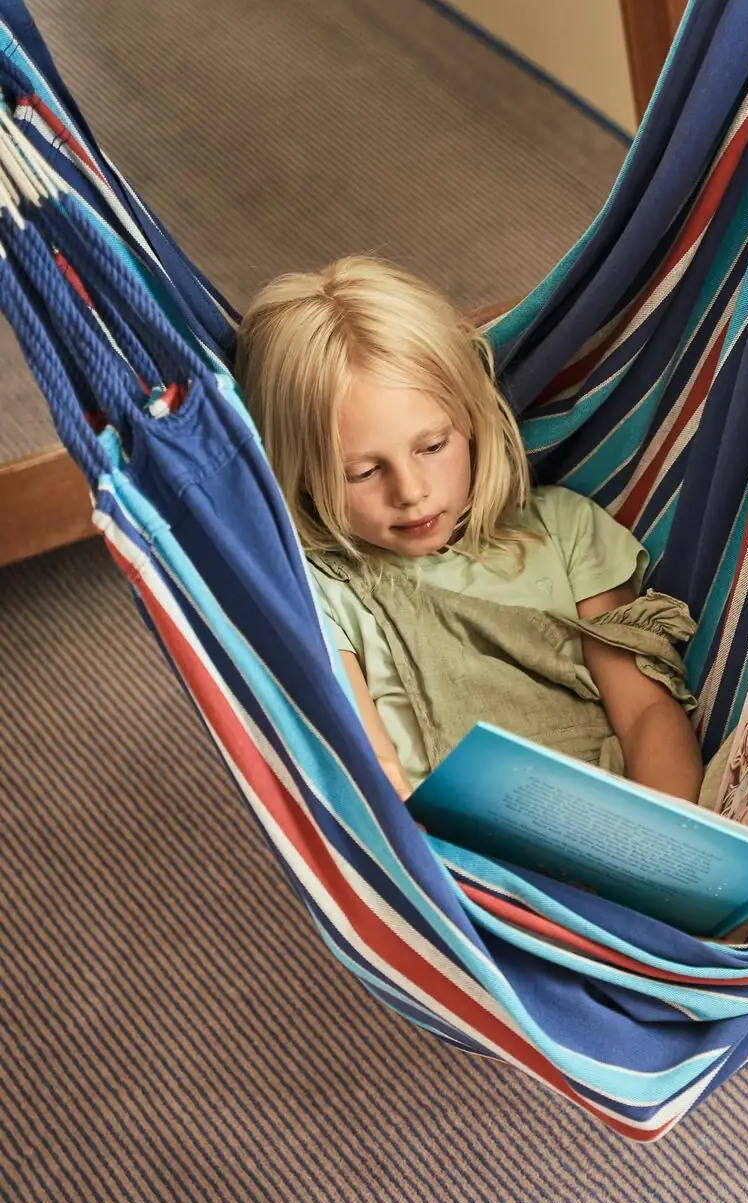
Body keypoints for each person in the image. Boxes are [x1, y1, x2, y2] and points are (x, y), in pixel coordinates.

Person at [234, 256, 704, 803]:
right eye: (362, 471)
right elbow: (369, 768)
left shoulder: (565, 530)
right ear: (303, 476)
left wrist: (666, 853)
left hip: (618, 819)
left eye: (432, 447)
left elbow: (646, 711)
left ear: (471, 421)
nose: (411, 491)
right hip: (456, 865)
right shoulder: (322, 590)